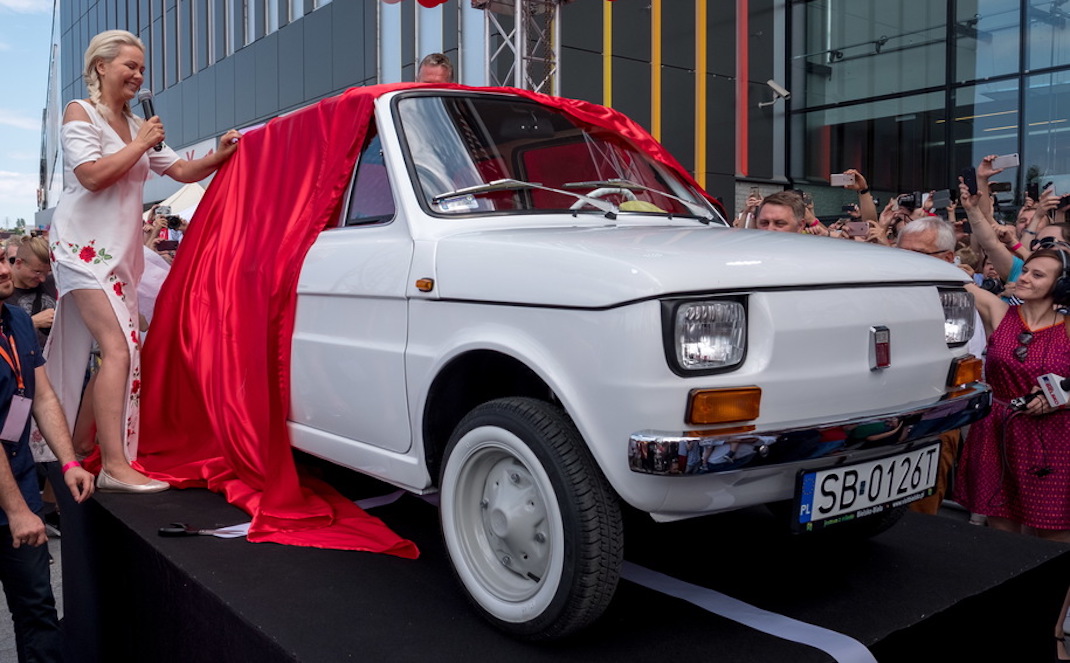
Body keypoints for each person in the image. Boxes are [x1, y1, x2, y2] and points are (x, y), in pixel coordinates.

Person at [48, 29, 240, 493]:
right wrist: (139, 145)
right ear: (101, 67)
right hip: (81, 249)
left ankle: (78, 452)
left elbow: (180, 171)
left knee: (119, 351)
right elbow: (91, 177)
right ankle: (115, 466)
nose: (138, 75)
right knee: (119, 349)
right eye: (130, 66)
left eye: (141, 68)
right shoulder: (81, 112)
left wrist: (222, 155)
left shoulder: (139, 126)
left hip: (122, 254)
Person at [0, 252, 95, 662]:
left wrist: (68, 461)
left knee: (38, 609)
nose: (5, 270)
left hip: (18, 481)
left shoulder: (17, 321)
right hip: (12, 499)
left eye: (4, 259)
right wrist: (18, 511)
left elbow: (41, 395)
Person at [954, 247, 1070, 541]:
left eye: (1037, 274)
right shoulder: (1000, 312)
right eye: (1026, 270)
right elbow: (956, 282)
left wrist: (1061, 399)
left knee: (1049, 536)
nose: (1024, 277)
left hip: (1052, 441)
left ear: (1060, 286)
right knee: (1003, 539)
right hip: (997, 433)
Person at [894, 217, 986, 515]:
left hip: (930, 422)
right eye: (901, 251)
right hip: (877, 420)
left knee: (918, 517)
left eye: (918, 254)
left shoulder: (959, 299)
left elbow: (962, 369)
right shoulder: (882, 291)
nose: (906, 261)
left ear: (947, 259)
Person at [8, 237, 57, 351]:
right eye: (37, 272)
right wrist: (33, 322)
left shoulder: (53, 283)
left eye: (47, 272)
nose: (42, 279)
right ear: (19, 263)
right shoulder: (4, 293)